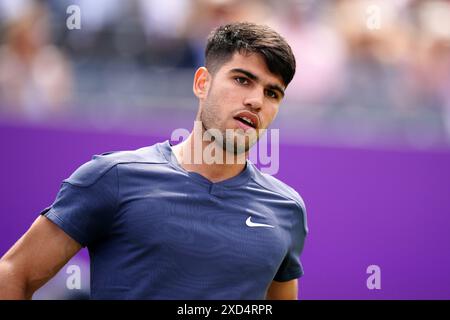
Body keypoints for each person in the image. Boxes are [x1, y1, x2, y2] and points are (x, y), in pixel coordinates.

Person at [0, 22, 308, 300]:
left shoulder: (287, 209)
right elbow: (14, 273)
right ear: (202, 83)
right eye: (242, 80)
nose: (256, 100)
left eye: (272, 93)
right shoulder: (112, 177)